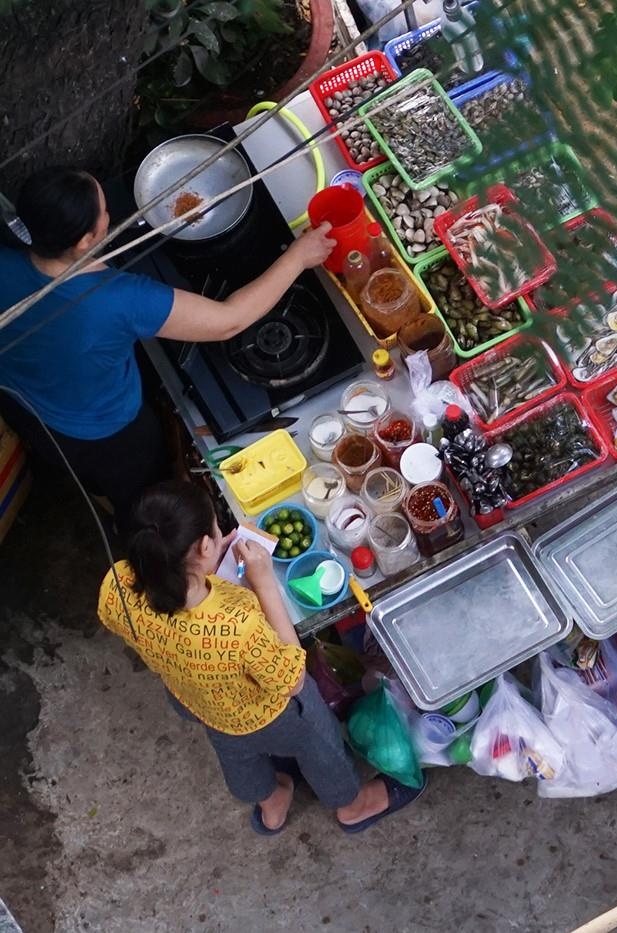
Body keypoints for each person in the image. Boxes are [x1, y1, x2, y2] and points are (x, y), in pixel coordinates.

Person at [0, 166, 334, 529]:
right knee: (140, 497)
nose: (110, 213)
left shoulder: (7, 258)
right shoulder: (118, 298)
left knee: (77, 466)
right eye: (104, 211)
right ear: (83, 241)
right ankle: (133, 531)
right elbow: (230, 320)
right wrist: (298, 257)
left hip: (24, 403)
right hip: (107, 432)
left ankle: (91, 488)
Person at [96, 480, 424, 835]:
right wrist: (264, 581)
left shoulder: (116, 583)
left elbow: (152, 615)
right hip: (271, 715)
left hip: (198, 701)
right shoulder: (237, 622)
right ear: (206, 545)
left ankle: (271, 806)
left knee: (235, 752)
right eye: (218, 531)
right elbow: (292, 678)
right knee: (318, 742)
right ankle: (351, 804)